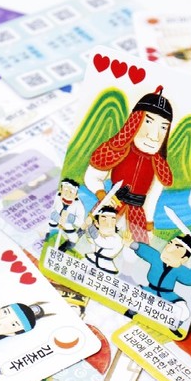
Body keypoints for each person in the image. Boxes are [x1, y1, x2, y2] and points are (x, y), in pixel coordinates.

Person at [84, 86, 174, 244]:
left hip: (137, 215)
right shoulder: (116, 149)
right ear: (135, 121)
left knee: (134, 249)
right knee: (93, 240)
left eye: (163, 127)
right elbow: (92, 176)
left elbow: (152, 198)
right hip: (110, 205)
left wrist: (148, 225)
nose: (153, 136)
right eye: (148, 121)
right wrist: (102, 195)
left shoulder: (160, 167)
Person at [131, 234, 191, 304]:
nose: (168, 250)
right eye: (169, 244)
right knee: (135, 297)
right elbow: (146, 252)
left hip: (168, 296)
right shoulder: (157, 258)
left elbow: (189, 278)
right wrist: (132, 244)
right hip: (149, 290)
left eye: (176, 249)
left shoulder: (179, 270)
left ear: (184, 259)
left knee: (181, 307)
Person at [84, 205, 131, 274]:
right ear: (97, 223)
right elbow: (91, 240)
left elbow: (100, 242)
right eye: (104, 221)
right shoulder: (99, 234)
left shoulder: (117, 239)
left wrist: (90, 226)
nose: (109, 225)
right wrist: (87, 227)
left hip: (106, 267)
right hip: (91, 260)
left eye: (112, 221)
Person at [47, 178, 86, 251]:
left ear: (76, 195)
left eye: (71, 192)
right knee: (49, 226)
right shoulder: (55, 196)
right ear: (61, 190)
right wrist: (56, 216)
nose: (68, 194)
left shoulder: (79, 205)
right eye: (66, 190)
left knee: (74, 240)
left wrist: (69, 218)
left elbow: (80, 222)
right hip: (54, 219)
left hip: (67, 223)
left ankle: (62, 249)